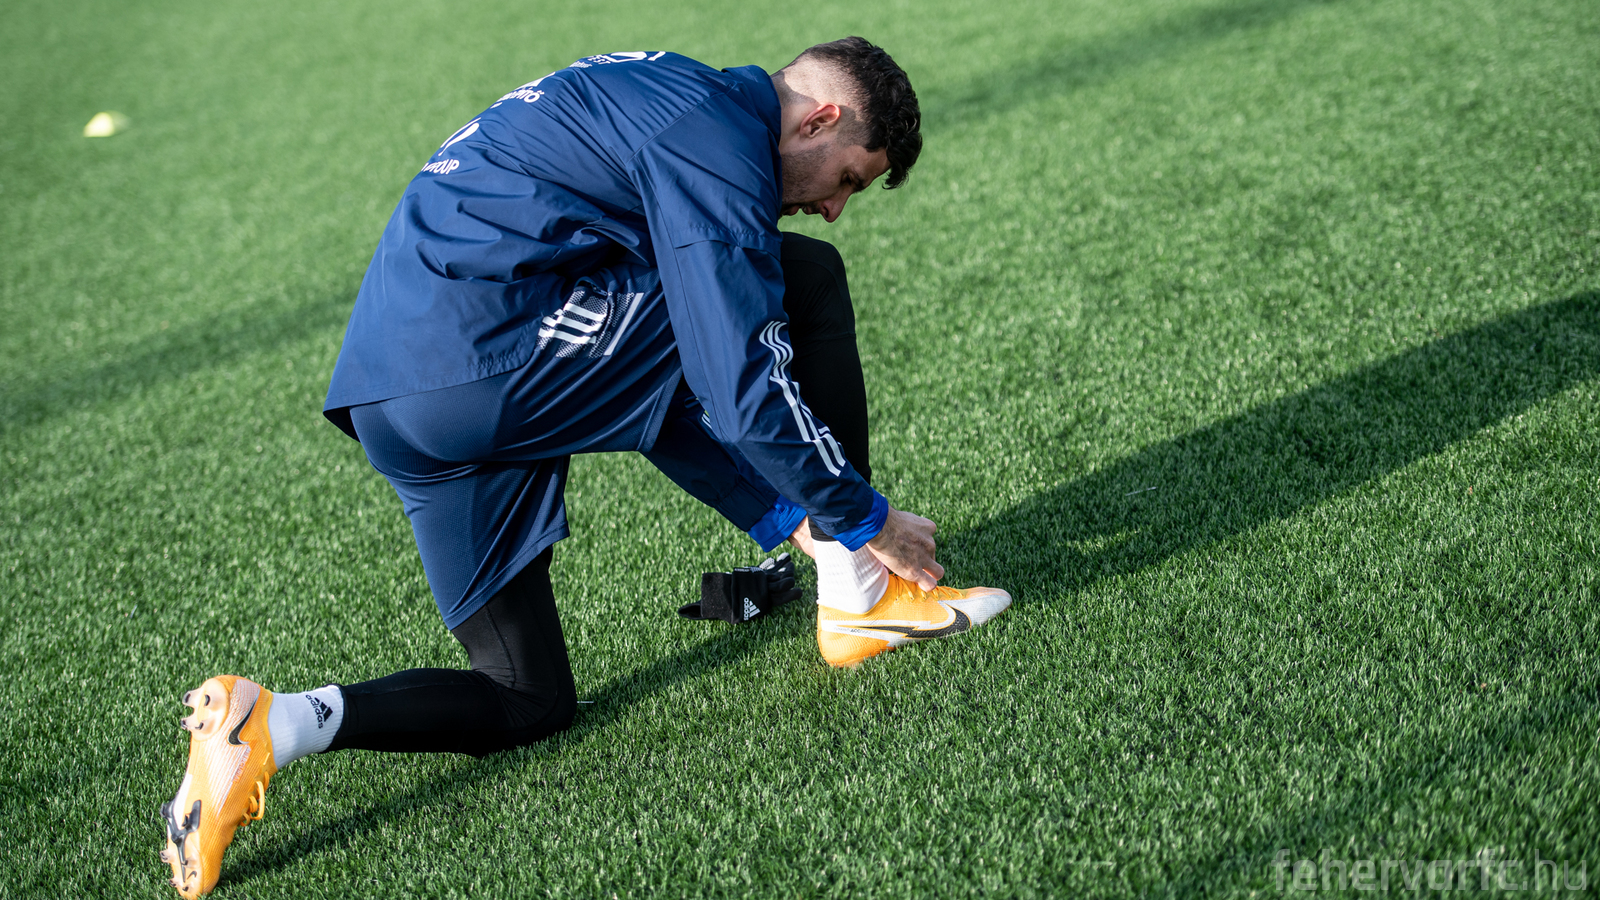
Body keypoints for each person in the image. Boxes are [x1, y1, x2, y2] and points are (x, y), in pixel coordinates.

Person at [158, 37, 1010, 898]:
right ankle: (862, 590)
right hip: (478, 363)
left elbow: (651, 390)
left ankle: (276, 724)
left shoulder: (673, 92)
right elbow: (737, 388)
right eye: (849, 179)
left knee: (527, 696)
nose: (833, 206)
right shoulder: (714, 136)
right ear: (819, 120)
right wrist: (865, 521)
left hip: (393, 399)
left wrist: (797, 519)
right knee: (805, 280)